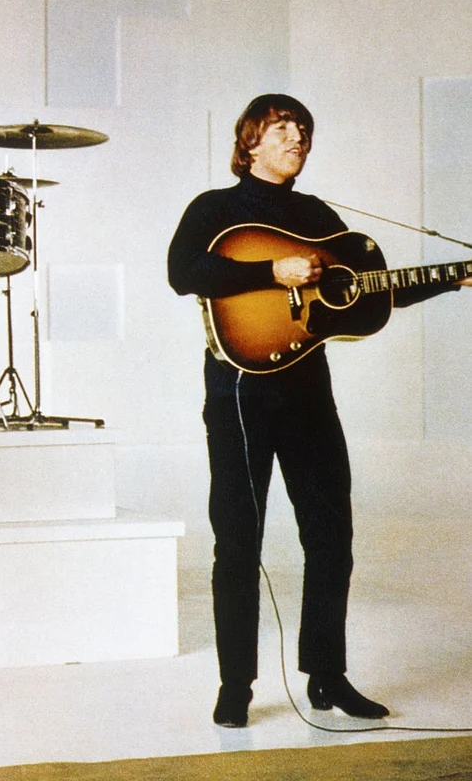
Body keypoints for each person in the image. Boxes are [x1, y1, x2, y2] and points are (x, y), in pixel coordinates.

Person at [167, 93, 465, 728]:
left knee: (332, 536)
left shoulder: (317, 216)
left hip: (308, 392)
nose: (296, 137)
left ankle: (327, 675)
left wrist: (452, 278)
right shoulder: (215, 210)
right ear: (249, 141)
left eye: (303, 128)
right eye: (282, 128)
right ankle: (235, 685)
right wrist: (272, 271)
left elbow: (366, 296)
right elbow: (183, 272)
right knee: (238, 541)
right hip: (239, 391)